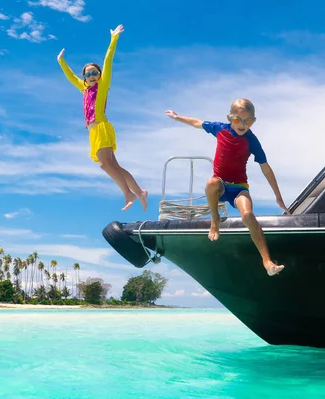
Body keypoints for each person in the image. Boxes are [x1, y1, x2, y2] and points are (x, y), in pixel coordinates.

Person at [164, 99, 288, 276]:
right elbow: (197, 123)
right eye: (238, 120)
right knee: (211, 183)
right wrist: (178, 118)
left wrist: (278, 196)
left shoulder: (252, 141)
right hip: (220, 185)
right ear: (230, 118)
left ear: (253, 120)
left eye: (248, 121)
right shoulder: (220, 128)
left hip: (239, 188)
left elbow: (266, 169)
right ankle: (215, 220)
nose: (243, 125)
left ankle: (267, 261)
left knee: (248, 215)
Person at [57, 24, 148, 212]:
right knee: (113, 165)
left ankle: (129, 193)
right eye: (88, 74)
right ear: (84, 77)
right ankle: (139, 191)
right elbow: (71, 77)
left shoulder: (103, 85)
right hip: (94, 131)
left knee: (105, 164)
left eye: (94, 73)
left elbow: (108, 61)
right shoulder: (84, 89)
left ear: (99, 75)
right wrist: (61, 62)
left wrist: (113, 39)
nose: (91, 75)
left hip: (101, 127)